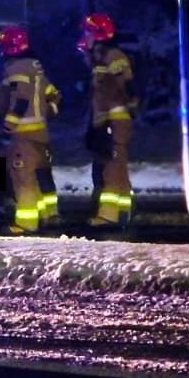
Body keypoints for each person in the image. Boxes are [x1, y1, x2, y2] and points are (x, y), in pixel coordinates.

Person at [0, 26, 61, 234]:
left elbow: (21, 99)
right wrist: (47, 112)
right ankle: (50, 215)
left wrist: (7, 126)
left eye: (3, 47)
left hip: (22, 135)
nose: (1, 51)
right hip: (40, 133)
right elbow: (54, 95)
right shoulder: (35, 67)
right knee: (42, 176)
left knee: (24, 179)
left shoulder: (16, 68)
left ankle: (26, 223)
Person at [79, 12, 135, 227]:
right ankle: (123, 212)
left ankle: (109, 215)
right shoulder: (101, 58)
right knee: (117, 166)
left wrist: (130, 106)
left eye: (88, 33)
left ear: (99, 35)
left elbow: (126, 84)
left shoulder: (113, 56)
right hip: (109, 120)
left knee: (111, 168)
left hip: (114, 120)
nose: (85, 37)